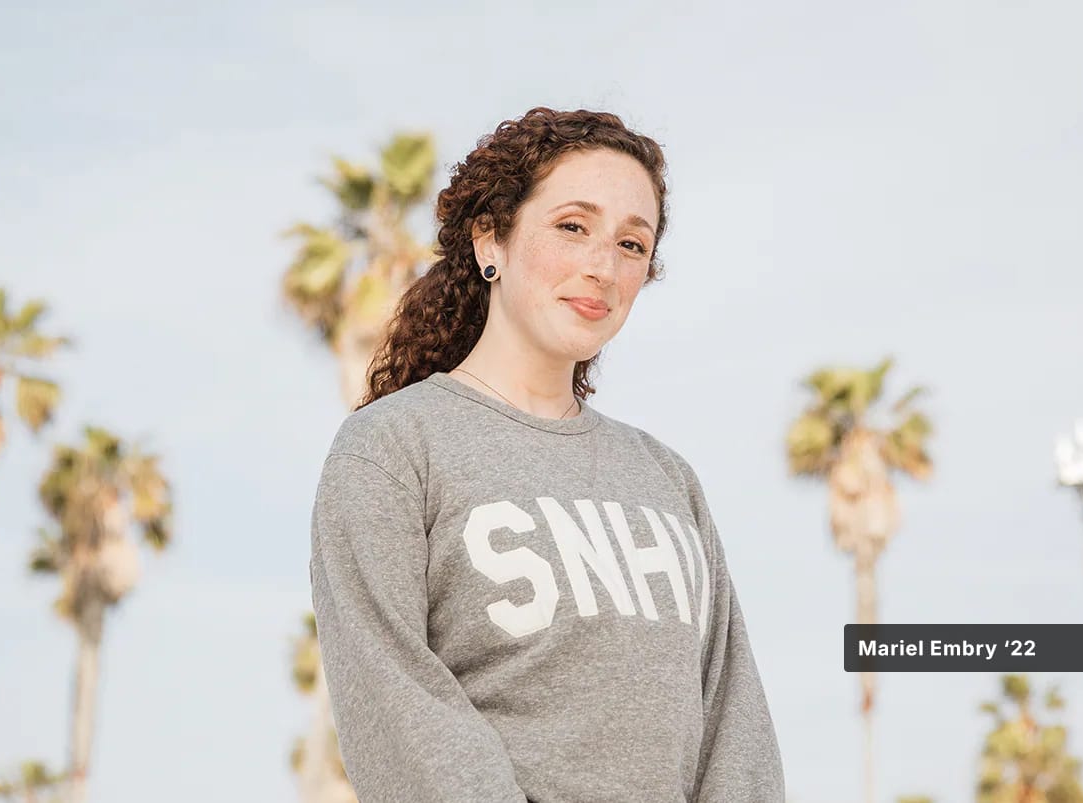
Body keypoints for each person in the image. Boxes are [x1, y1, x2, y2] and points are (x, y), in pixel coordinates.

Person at [307, 106, 784, 803]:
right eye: (572, 226)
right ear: (490, 239)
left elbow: (734, 720)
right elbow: (397, 702)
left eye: (631, 244)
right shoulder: (393, 447)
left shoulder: (666, 478)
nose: (602, 267)